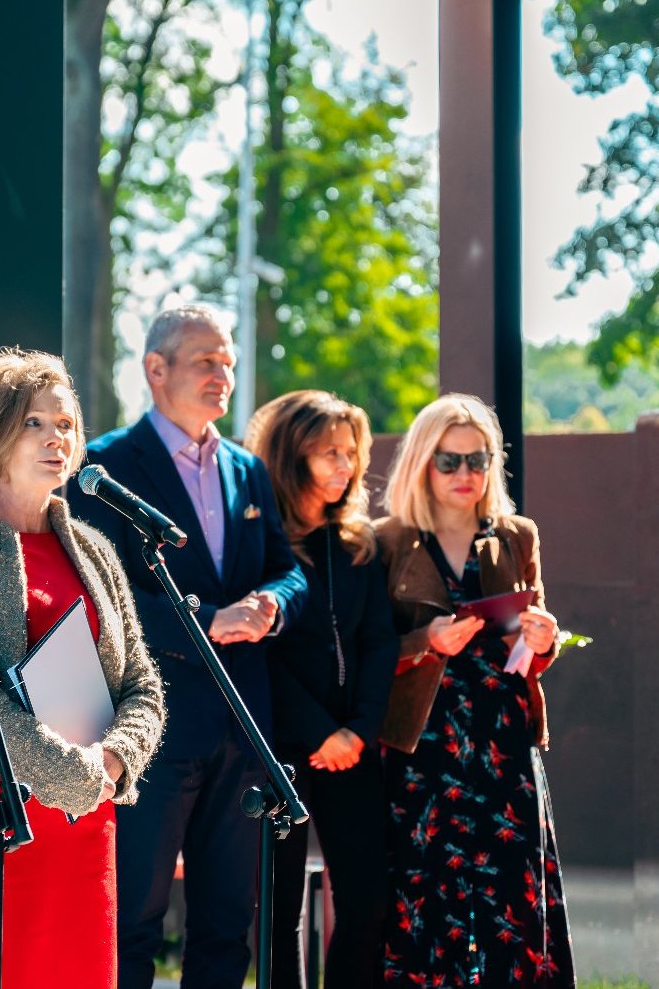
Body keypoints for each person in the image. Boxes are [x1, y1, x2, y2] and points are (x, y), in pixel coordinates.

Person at [0, 347, 165, 989]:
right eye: (33, 423)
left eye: (66, 424)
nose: (56, 439)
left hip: (88, 817)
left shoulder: (95, 551)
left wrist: (116, 759)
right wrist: (68, 773)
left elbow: (143, 683)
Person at [68, 305, 307, 989]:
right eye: (208, 360)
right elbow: (99, 598)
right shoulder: (105, 468)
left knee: (227, 925)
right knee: (132, 925)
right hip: (154, 730)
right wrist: (203, 621)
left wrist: (272, 605)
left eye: (228, 362)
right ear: (156, 369)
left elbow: (288, 570)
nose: (223, 376)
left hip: (244, 727)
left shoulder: (246, 469)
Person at [374, 393, 575, 988]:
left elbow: (529, 648)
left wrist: (543, 640)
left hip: (502, 741)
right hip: (423, 744)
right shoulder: (385, 541)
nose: (466, 474)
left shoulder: (516, 536)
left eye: (478, 460)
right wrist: (426, 640)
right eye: (450, 461)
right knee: (423, 895)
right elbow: (365, 652)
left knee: (511, 899)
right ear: (421, 462)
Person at [243, 391, 398, 989]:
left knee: (367, 901)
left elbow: (379, 642)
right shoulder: (257, 545)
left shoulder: (359, 544)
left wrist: (358, 728)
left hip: (352, 748)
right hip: (279, 747)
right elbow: (260, 655)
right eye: (328, 452)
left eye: (351, 452)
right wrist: (319, 731)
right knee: (279, 910)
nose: (346, 465)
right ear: (288, 456)